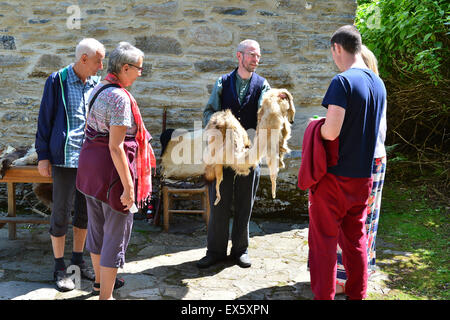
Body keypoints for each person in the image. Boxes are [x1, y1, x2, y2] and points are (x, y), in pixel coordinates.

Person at [306, 25, 386, 300]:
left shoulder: (342, 82)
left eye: (333, 53)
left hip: (335, 179)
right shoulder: (378, 83)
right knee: (355, 241)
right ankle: (357, 294)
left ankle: (324, 296)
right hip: (363, 177)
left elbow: (331, 132)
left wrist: (315, 126)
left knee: (324, 244)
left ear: (337, 48)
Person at [76, 42, 156, 300]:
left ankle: (99, 285)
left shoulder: (99, 87)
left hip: (90, 170)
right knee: (114, 237)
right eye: (139, 69)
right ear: (125, 68)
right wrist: (130, 187)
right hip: (112, 175)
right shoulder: (120, 97)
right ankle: (106, 298)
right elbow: (116, 146)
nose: (140, 73)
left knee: (97, 230)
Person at [35, 38, 105, 291]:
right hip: (64, 158)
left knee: (85, 213)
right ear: (83, 59)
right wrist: (43, 155)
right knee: (61, 213)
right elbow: (45, 119)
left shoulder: (98, 84)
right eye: (98, 61)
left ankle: (78, 261)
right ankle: (59, 266)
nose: (101, 67)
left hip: (91, 160)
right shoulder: (57, 80)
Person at [197, 39, 271, 269]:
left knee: (244, 204)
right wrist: (220, 128)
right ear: (239, 56)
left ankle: (241, 250)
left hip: (249, 156)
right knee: (218, 202)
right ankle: (215, 251)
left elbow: (265, 113)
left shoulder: (263, 85)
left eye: (258, 55)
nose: (255, 59)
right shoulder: (222, 82)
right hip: (221, 155)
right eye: (251, 54)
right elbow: (209, 112)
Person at [335, 44, 387, 294]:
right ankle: (362, 271)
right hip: (378, 158)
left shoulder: (358, 88)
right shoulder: (378, 87)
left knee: (351, 220)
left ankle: (345, 277)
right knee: (368, 218)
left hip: (361, 161)